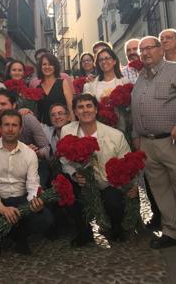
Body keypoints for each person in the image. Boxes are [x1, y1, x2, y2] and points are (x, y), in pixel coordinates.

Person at [131, 36, 176, 256]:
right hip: (148, 144)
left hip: (173, 140)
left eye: (149, 48)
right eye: (141, 50)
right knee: (161, 190)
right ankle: (172, 231)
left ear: (160, 50)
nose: (144, 53)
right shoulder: (140, 78)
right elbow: (136, 108)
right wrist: (136, 135)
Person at [0, 110, 54, 255]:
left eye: (14, 125)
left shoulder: (29, 153)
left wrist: (34, 201)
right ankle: (0, 236)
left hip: (21, 199)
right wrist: (2, 208)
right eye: (6, 125)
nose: (10, 129)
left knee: (45, 218)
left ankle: (20, 235)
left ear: (21, 129)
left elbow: (33, 184)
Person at [61, 94, 134, 245]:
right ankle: (84, 232)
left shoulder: (115, 135)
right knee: (69, 195)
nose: (85, 110)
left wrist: (129, 185)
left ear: (96, 110)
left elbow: (127, 163)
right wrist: (74, 174)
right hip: (82, 182)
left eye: (89, 106)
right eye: (80, 107)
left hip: (106, 182)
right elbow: (64, 160)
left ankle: (116, 227)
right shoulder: (67, 131)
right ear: (74, 111)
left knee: (114, 202)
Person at [0, 89, 49, 160]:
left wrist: (35, 152)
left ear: (13, 105)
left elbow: (47, 149)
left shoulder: (27, 119)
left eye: (3, 104)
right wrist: (22, 150)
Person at [36, 53, 73, 124]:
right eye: (44, 64)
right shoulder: (38, 88)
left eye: (50, 64)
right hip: (45, 128)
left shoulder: (63, 83)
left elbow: (70, 107)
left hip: (63, 126)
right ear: (40, 67)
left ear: (55, 66)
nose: (47, 67)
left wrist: (73, 125)